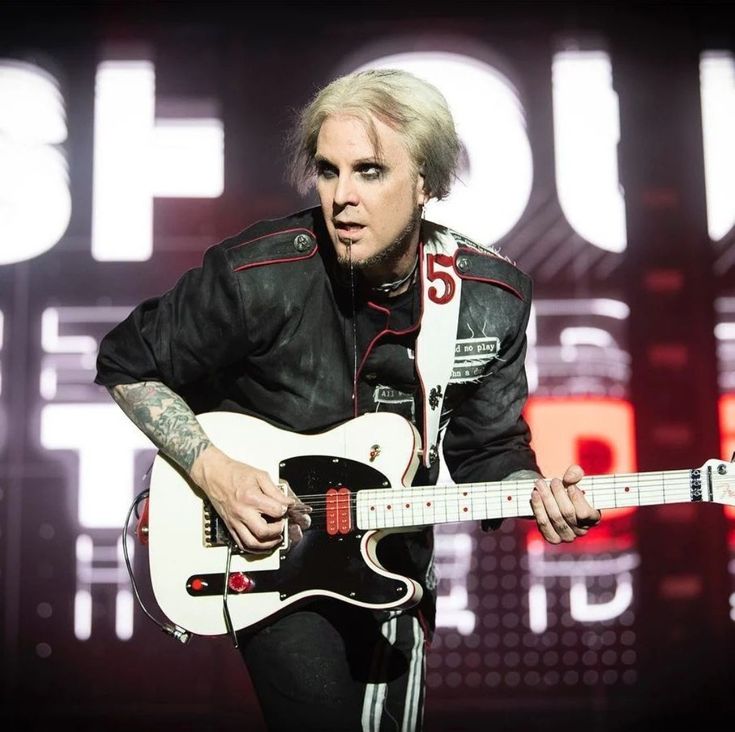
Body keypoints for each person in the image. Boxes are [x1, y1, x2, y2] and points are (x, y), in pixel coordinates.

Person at [95, 68, 601, 732]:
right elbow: (126, 362)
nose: (342, 198)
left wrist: (537, 496)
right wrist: (214, 472)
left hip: (391, 565)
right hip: (274, 557)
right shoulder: (258, 274)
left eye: (369, 171)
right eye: (328, 172)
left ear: (426, 182)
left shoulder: (486, 298)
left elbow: (488, 448)